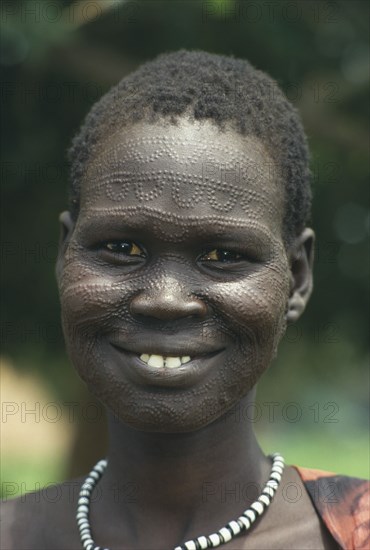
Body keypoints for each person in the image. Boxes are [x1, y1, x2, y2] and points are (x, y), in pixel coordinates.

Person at [1, 50, 368, 550]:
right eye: (122, 248)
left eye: (223, 254)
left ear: (297, 278)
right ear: (66, 255)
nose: (166, 300)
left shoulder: (349, 533)